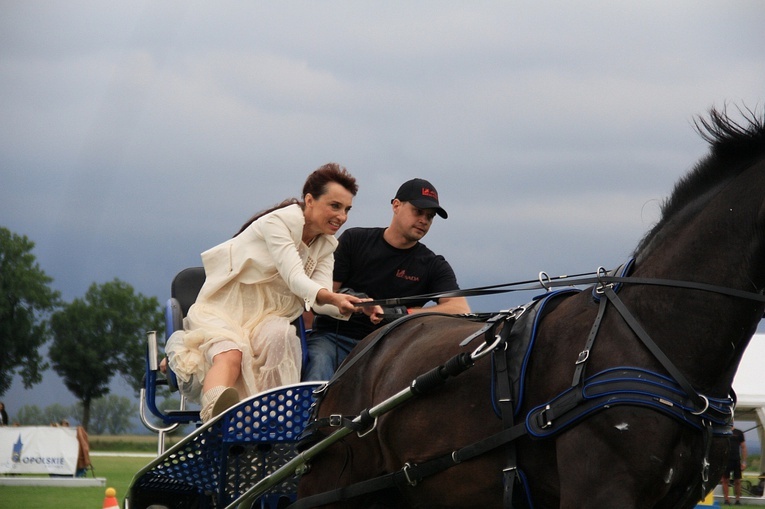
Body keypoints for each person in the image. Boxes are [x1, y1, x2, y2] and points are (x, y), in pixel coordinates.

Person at [166, 163, 375, 421]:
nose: (342, 216)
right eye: (335, 206)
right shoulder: (279, 222)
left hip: (268, 317)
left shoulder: (327, 245)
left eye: (347, 210)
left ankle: (272, 422)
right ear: (310, 200)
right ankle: (217, 422)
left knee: (280, 336)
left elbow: (319, 302)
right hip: (226, 312)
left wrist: (357, 305)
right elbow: (296, 278)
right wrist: (332, 296)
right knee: (232, 353)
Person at [303, 177, 471, 381]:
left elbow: (459, 308)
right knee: (318, 362)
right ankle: (308, 413)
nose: (424, 221)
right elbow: (322, 294)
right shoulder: (354, 240)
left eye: (430, 216)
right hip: (335, 340)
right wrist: (354, 301)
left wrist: (403, 313)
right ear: (396, 205)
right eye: (418, 212)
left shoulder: (433, 265)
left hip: (392, 348)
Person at [721, 421, 747, 505]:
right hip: (726, 460)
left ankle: (738, 500)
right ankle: (726, 500)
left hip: (736, 460)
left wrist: (744, 462)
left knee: (738, 481)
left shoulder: (739, 433)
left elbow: (743, 447)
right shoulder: (723, 431)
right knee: (725, 480)